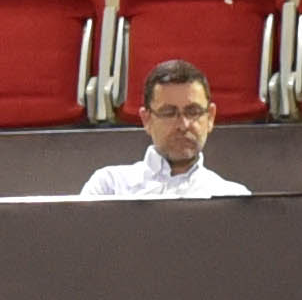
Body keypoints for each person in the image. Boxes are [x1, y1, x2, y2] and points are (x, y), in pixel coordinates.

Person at [81, 59, 249, 199]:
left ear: (210, 117)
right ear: (146, 119)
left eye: (193, 112)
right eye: (169, 113)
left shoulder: (233, 198)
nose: (183, 125)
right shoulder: (109, 187)